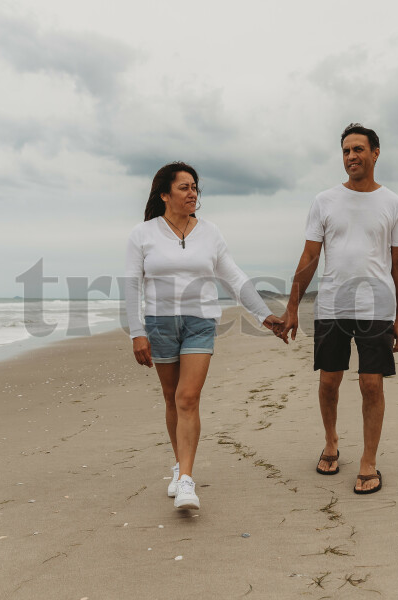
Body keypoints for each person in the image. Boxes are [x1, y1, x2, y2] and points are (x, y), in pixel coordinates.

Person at [125, 162, 284, 510]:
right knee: (171, 398)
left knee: (187, 398)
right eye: (184, 187)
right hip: (159, 323)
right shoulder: (143, 234)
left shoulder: (210, 233)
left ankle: (186, 479)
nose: (192, 192)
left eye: (195, 186)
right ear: (165, 195)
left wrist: (264, 314)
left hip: (201, 322)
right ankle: (178, 463)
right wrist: (137, 332)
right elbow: (132, 285)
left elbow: (234, 278)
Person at [280, 123, 398, 494]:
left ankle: (369, 461)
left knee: (371, 384)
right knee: (329, 381)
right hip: (332, 304)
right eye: (345, 151)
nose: (351, 156)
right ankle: (331, 441)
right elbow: (309, 256)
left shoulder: (394, 204)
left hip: (378, 306)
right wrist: (292, 307)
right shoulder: (324, 201)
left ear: (375, 153)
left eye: (358, 149)